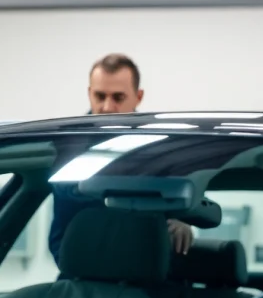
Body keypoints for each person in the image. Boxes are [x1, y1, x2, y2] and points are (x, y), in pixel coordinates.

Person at [47, 53, 194, 264]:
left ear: (138, 97)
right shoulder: (67, 146)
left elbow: (186, 196)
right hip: (80, 271)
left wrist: (181, 220)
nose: (107, 107)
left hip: (146, 271)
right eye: (100, 96)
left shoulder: (161, 149)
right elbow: (69, 211)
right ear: (89, 93)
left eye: (118, 98)